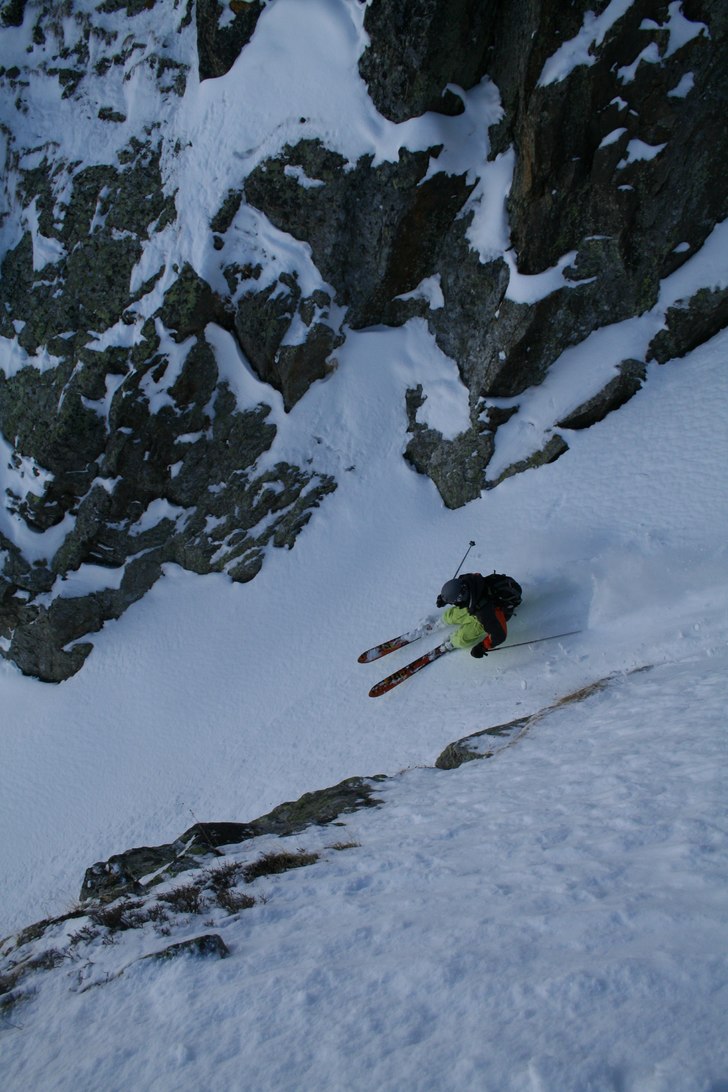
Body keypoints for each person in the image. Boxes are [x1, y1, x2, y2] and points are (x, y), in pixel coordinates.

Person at [436, 572, 521, 658]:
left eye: (453, 602)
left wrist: (482, 647)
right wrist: (446, 598)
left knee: (464, 636)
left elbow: (499, 635)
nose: (453, 603)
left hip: (495, 611)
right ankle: (443, 620)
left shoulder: (487, 614)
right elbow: (456, 588)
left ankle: (454, 642)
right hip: (479, 602)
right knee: (454, 613)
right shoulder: (466, 580)